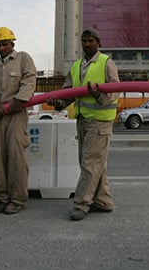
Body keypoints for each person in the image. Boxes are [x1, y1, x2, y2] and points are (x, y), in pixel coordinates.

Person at [46, 28, 120, 221]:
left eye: (91, 41)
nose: (86, 44)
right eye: (84, 41)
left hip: (100, 122)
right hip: (83, 120)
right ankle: (103, 201)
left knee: (90, 163)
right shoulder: (77, 66)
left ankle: (82, 204)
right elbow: (68, 92)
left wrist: (99, 95)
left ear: (98, 43)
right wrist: (59, 103)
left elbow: (115, 90)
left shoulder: (106, 63)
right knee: (94, 164)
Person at [0, 27, 37, 215]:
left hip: (16, 113)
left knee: (16, 157)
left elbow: (30, 79)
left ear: (12, 44)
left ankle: (17, 198)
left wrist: (19, 99)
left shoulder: (23, 59)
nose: (1, 48)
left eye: (5, 44)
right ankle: (2, 197)